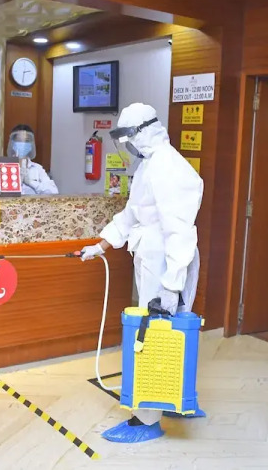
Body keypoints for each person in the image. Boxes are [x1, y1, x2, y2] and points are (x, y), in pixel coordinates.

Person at [80, 103, 205, 443]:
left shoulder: (168, 167)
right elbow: (132, 214)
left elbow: (179, 231)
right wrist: (101, 245)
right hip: (156, 258)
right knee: (170, 333)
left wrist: (170, 285)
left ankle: (146, 420)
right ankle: (177, 399)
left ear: (144, 132)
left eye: (128, 137)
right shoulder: (150, 164)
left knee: (153, 336)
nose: (127, 145)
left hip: (167, 262)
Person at [0, 125, 58, 195]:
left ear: (31, 144)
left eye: (26, 141)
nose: (23, 144)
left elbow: (53, 191)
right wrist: (14, 184)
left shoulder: (37, 168)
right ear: (13, 143)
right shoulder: (2, 167)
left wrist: (32, 183)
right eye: (19, 140)